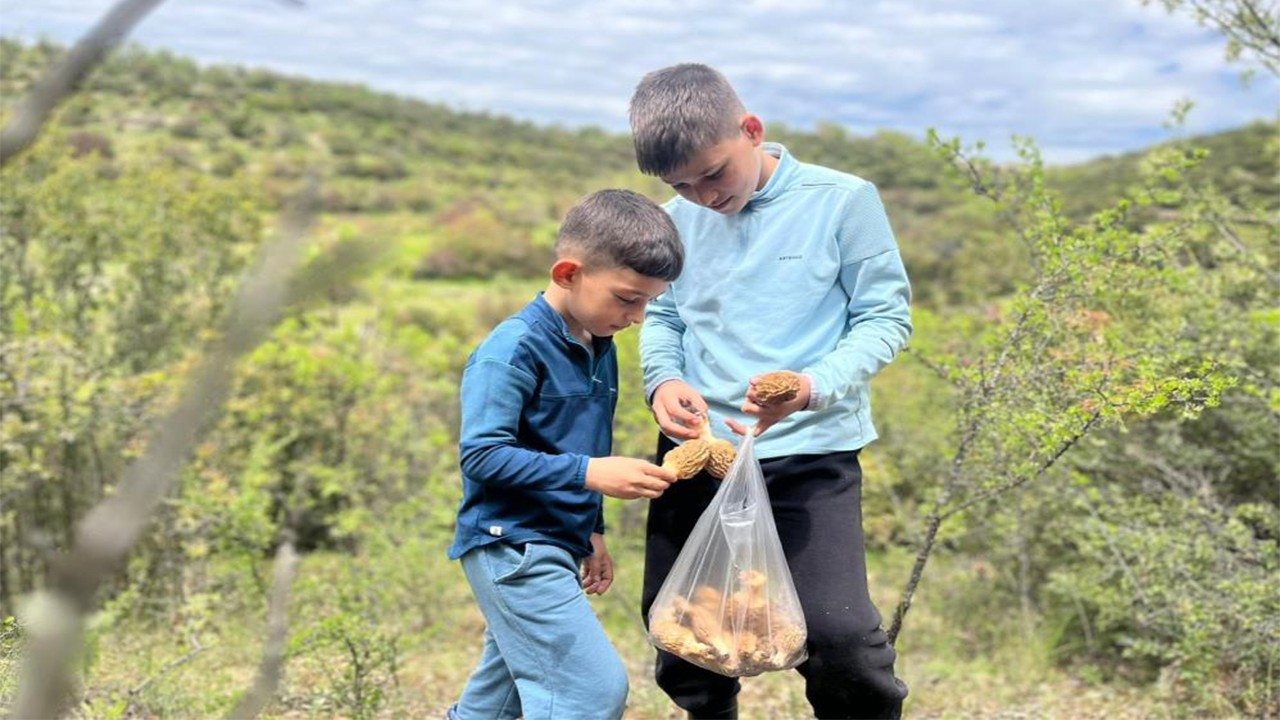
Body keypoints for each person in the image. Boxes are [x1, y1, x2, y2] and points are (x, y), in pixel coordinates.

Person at [630, 63, 913, 719]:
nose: (703, 197)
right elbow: (666, 317)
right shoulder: (675, 221)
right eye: (681, 185)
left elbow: (886, 318)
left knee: (842, 639)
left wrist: (812, 388)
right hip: (698, 454)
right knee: (678, 630)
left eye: (714, 173)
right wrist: (663, 380)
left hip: (810, 453)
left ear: (751, 130)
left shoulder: (842, 201)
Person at [446, 188, 684, 720]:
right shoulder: (513, 349)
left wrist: (591, 529)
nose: (639, 317)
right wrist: (591, 474)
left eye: (649, 302)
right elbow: (482, 457)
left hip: (555, 542)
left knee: (496, 702)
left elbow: (584, 445)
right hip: (513, 547)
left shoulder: (601, 346)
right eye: (627, 299)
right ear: (568, 273)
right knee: (590, 692)